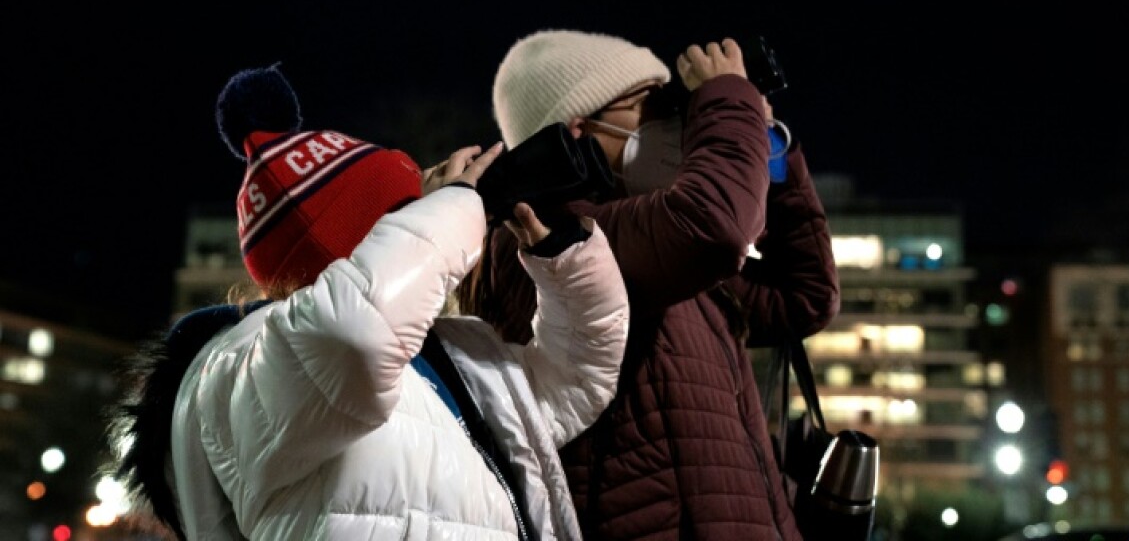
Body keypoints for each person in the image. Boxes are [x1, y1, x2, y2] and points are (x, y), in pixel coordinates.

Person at [105, 63, 629, 541]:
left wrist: (563, 253)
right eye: (407, 209)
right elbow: (355, 332)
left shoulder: (440, 350)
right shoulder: (247, 360)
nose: (429, 210)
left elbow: (572, 385)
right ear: (365, 242)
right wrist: (456, 206)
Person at [456, 30, 841, 540]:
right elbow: (717, 229)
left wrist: (767, 142)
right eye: (652, 106)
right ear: (577, 130)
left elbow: (804, 296)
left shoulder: (659, 247)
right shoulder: (551, 242)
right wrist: (728, 102)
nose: (675, 124)